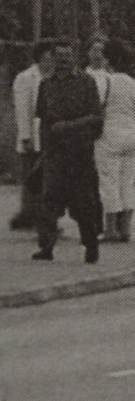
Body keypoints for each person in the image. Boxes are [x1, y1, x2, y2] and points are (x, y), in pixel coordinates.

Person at [32, 40, 103, 263]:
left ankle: (90, 246)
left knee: (83, 202)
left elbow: (96, 118)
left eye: (68, 55)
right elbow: (43, 119)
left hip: (80, 153)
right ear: (52, 58)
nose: (63, 60)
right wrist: (43, 149)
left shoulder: (86, 82)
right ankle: (47, 247)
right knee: (49, 200)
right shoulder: (46, 85)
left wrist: (69, 126)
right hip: (54, 153)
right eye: (59, 56)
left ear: (73, 57)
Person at [96, 39, 135, 242]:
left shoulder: (104, 81)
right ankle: (126, 229)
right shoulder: (133, 83)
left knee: (109, 181)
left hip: (109, 134)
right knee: (127, 182)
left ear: (107, 59)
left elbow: (97, 108)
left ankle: (110, 229)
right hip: (131, 134)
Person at [10, 40, 54, 230]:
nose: (52, 61)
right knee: (33, 176)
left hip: (50, 135)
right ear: (41, 57)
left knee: (47, 177)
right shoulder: (26, 77)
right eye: (49, 57)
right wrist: (26, 136)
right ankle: (31, 216)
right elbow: (22, 109)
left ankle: (39, 216)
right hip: (33, 135)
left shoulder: (54, 76)